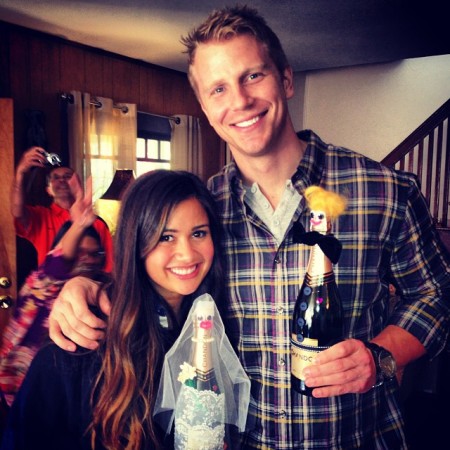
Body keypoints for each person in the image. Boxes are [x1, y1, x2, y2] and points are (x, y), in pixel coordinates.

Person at [47, 5, 450, 449]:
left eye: (253, 76)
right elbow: (155, 283)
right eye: (218, 88)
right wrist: (84, 285)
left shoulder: (383, 191)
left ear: (287, 80)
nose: (239, 101)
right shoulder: (202, 211)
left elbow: (438, 294)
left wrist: (383, 355)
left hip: (357, 438)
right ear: (203, 105)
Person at [1, 170, 225, 449]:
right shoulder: (80, 341)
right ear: (135, 242)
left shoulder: (215, 327)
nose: (188, 253)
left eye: (198, 233)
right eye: (166, 237)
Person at [0, 176, 108, 409]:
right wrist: (79, 224)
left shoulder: (101, 294)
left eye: (95, 254)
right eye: (79, 252)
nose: (87, 260)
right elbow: (56, 264)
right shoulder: (43, 285)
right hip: (25, 394)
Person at [10, 146, 114, 271]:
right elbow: (17, 211)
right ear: (48, 190)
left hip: (89, 287)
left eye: (67, 176)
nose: (62, 180)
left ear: (78, 184)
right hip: (52, 286)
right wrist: (20, 172)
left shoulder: (97, 223)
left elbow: (109, 266)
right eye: (56, 178)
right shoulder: (41, 217)